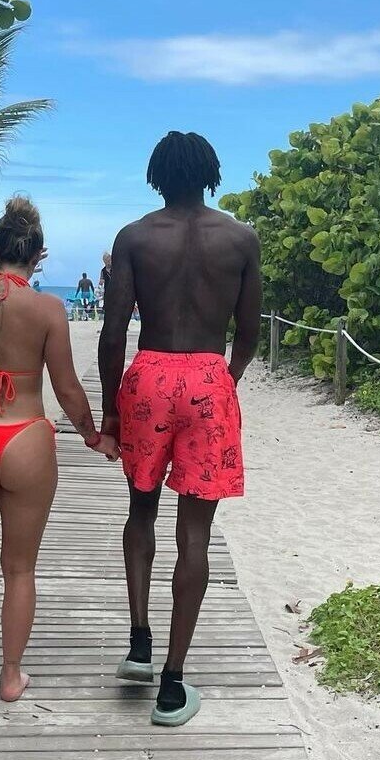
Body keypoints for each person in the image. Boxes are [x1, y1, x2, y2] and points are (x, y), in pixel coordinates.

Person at [98, 132, 262, 726]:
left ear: (157, 177)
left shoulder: (135, 237)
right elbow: (249, 333)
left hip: (149, 374)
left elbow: (113, 331)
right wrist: (223, 380)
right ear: (210, 175)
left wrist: (112, 410)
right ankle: (172, 684)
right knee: (195, 534)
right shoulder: (241, 239)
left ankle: (139, 643)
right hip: (207, 377)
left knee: (141, 509)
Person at [0, 197, 118, 703]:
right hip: (26, 436)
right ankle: (10, 675)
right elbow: (66, 389)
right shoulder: (48, 309)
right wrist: (94, 437)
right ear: (39, 256)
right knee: (19, 568)